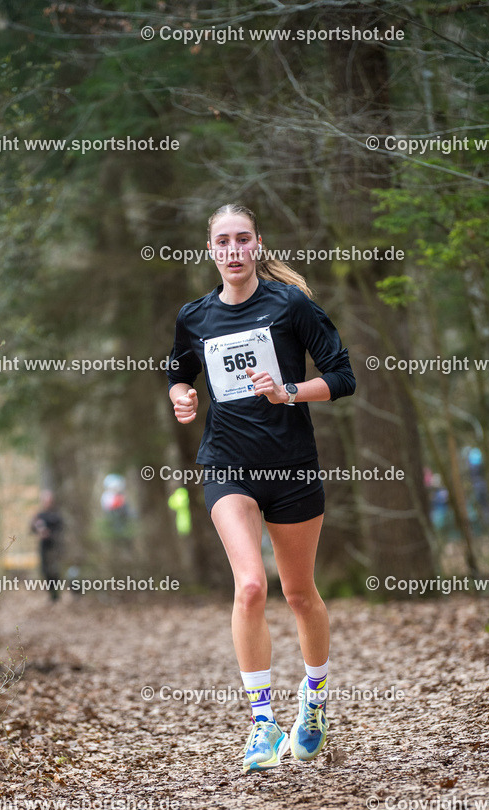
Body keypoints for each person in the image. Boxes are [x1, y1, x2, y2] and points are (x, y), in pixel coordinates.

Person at [167, 203, 355, 773]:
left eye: (242, 239)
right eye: (222, 240)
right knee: (250, 586)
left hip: (292, 468)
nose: (233, 250)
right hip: (228, 465)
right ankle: (262, 723)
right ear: (211, 250)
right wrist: (181, 395)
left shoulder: (290, 305)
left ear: (258, 245)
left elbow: (342, 376)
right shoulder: (195, 316)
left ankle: (314, 702)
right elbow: (178, 370)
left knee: (298, 594)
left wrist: (288, 391)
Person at [30, 490, 63, 602]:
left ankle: (56, 595)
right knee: (45, 571)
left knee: (54, 571)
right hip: (43, 547)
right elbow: (32, 528)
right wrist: (37, 528)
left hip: (55, 547)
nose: (47, 503)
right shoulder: (39, 515)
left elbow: (60, 528)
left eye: (49, 500)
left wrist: (49, 533)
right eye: (45, 501)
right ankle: (51, 594)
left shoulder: (56, 515)